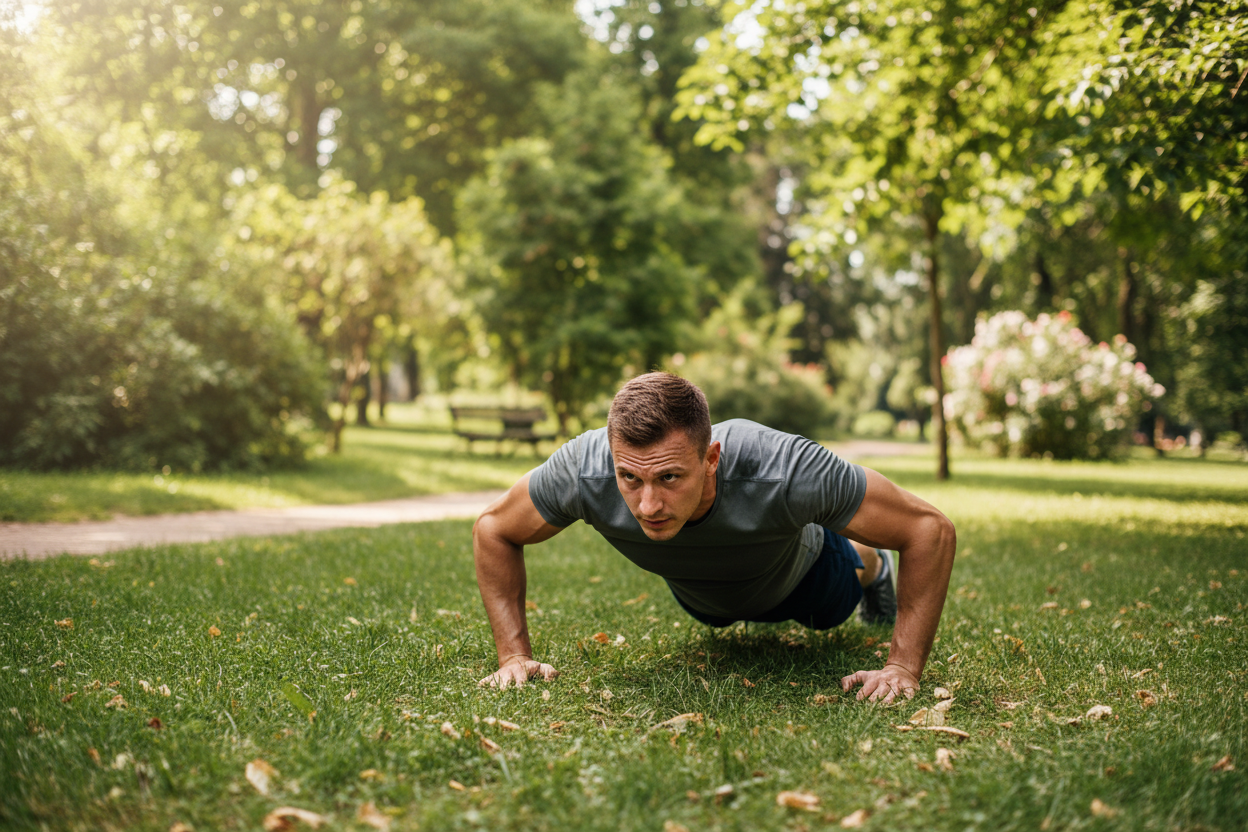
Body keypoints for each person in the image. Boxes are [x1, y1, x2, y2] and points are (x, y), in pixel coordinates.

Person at [472, 372, 956, 703]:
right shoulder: (583, 469)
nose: (647, 506)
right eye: (630, 479)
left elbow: (928, 529)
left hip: (805, 579)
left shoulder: (782, 467)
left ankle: (873, 567)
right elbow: (493, 528)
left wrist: (903, 669)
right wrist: (514, 656)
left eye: (669, 479)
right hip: (704, 599)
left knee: (838, 587)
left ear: (711, 459)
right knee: (713, 611)